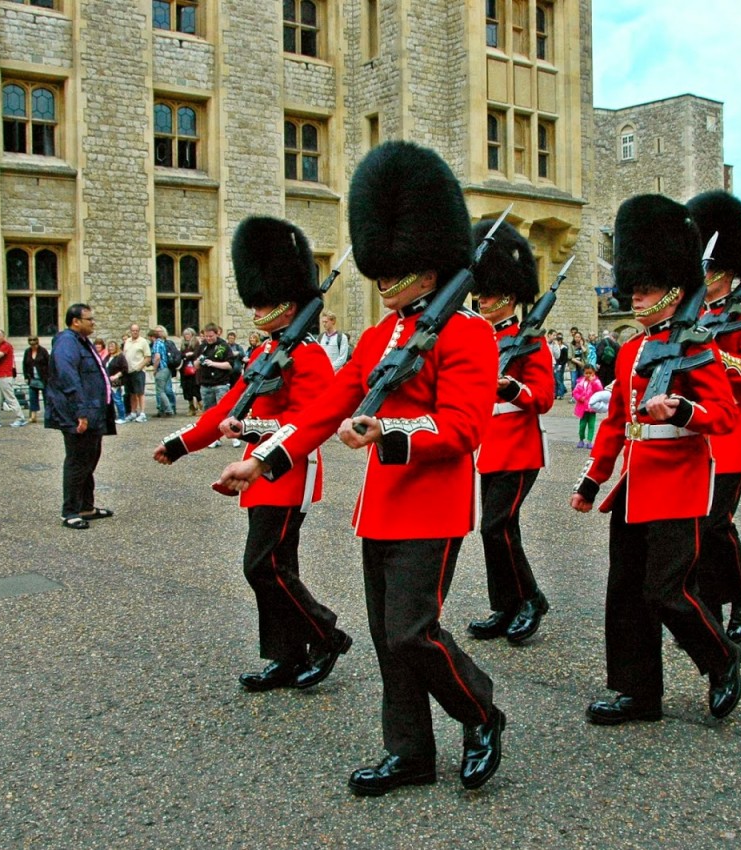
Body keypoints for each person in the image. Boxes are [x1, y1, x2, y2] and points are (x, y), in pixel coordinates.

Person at [218, 141, 505, 796]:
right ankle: (409, 753)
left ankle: (481, 711)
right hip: (382, 507)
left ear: (429, 266)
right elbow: (322, 410)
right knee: (385, 639)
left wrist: (392, 432)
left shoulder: (469, 334)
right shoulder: (378, 339)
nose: (383, 279)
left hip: (432, 505)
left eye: (396, 267)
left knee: (412, 632)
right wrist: (263, 461)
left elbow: (465, 427)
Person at [156, 216, 350, 695]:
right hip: (257, 474)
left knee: (263, 567)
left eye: (267, 303)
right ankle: (285, 656)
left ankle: (326, 634)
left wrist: (251, 431)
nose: (259, 311)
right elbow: (226, 408)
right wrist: (181, 443)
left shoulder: (309, 356)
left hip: (288, 468)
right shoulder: (267, 353)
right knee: (276, 568)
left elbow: (310, 423)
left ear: (289, 305)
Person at [570, 194, 740, 726]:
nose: (638, 297)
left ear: (673, 288)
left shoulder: (698, 346)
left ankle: (721, 658)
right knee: (624, 594)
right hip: (636, 483)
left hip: (680, 481)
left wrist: (683, 408)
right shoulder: (627, 351)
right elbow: (617, 424)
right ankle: (636, 691)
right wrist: (592, 480)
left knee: (668, 592)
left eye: (646, 289)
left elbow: (724, 414)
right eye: (635, 288)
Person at [688, 190, 741, 644]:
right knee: (698, 524)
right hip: (699, 430)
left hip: (735, 433)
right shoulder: (697, 316)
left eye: (707, 270)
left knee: (715, 523)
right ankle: (708, 602)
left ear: (723, 273)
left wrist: (717, 357)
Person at [464, 219, 555, 647]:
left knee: (497, 526)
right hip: (487, 445)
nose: (484, 302)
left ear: (512, 297)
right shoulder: (478, 337)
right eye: (481, 295)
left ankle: (530, 598)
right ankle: (505, 605)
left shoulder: (529, 340)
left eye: (492, 295)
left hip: (518, 447)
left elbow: (544, 397)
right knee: (494, 528)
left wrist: (512, 388)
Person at [46, 303, 115, 529]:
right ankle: (70, 511)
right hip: (79, 413)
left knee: (90, 459)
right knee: (77, 462)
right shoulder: (67, 342)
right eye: (89, 319)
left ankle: (86, 506)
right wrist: (80, 411)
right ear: (76, 321)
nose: (92, 323)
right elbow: (67, 377)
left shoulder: (82, 342)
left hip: (95, 412)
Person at [0, 329, 27, 428]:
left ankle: (20, 418)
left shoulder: (6, 346)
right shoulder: (0, 346)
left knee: (10, 398)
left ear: (3, 336)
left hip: (5, 376)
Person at [195, 323, 235, 412]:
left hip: (220, 384)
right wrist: (198, 361)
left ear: (217, 334)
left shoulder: (224, 346)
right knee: (208, 412)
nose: (208, 338)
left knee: (222, 411)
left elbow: (229, 365)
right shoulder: (202, 347)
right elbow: (196, 366)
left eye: (211, 336)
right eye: (206, 336)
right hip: (205, 385)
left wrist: (213, 363)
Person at [122, 323, 152, 423]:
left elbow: (148, 357)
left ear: (139, 331)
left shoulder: (143, 342)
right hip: (128, 371)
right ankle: (133, 412)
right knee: (132, 393)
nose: (135, 332)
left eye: (136, 330)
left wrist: (139, 367)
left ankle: (142, 413)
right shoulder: (127, 341)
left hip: (138, 371)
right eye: (133, 330)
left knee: (140, 392)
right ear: (130, 331)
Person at [572, 364, 602, 448]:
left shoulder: (596, 381)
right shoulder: (580, 382)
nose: (588, 375)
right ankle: (581, 439)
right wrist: (580, 398)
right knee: (582, 426)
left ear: (594, 373)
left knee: (591, 426)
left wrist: (593, 382)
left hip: (592, 408)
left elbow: (600, 390)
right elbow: (575, 392)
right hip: (583, 408)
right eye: (586, 373)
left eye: (590, 373)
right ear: (583, 373)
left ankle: (589, 441)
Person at [22, 335, 49, 424]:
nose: (33, 344)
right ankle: (33, 416)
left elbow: (49, 364)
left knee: (46, 398)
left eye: (34, 341)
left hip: (43, 378)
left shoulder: (43, 351)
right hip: (32, 378)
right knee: (33, 397)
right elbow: (25, 365)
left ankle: (48, 416)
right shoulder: (27, 352)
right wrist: (26, 376)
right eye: (31, 341)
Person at [151, 326, 176, 417]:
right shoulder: (162, 342)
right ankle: (164, 409)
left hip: (161, 369)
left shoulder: (157, 343)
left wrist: (154, 369)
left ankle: (168, 409)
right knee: (165, 389)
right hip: (167, 369)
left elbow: (157, 357)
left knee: (160, 391)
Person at [102, 339, 129, 423]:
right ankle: (112, 416)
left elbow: (124, 368)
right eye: (109, 346)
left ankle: (122, 417)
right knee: (109, 400)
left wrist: (116, 376)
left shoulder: (120, 357)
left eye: (112, 346)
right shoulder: (107, 357)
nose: (110, 348)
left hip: (116, 382)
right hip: (107, 381)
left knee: (117, 399)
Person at [179, 327, 202, 415]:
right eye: (185, 334)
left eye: (188, 334)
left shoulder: (196, 344)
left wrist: (191, 355)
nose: (186, 336)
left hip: (194, 370)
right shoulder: (183, 345)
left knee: (195, 389)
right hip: (185, 370)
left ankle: (201, 407)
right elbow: (181, 355)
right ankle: (191, 407)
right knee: (187, 389)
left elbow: (197, 354)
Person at [568, 330, 595, 400]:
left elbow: (586, 353)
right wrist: (578, 362)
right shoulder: (571, 345)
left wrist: (582, 345)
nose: (577, 338)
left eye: (579, 337)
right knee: (574, 381)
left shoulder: (585, 344)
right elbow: (570, 356)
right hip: (574, 366)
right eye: (576, 337)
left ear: (581, 338)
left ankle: (582, 395)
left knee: (582, 381)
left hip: (582, 366)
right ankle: (574, 396)